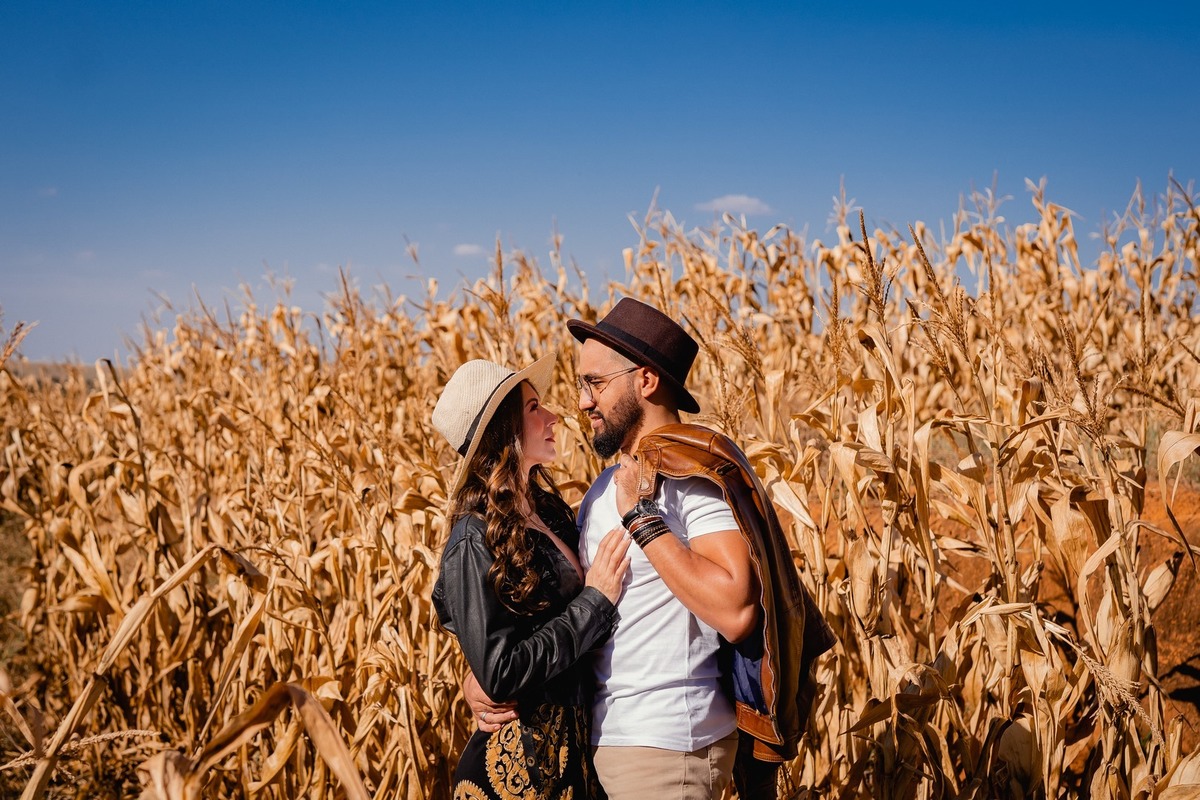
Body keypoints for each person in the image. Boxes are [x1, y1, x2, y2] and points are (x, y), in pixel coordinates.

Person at [468, 299, 836, 800]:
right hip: (605, 745)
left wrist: (643, 521)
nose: (582, 402)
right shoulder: (604, 488)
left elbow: (736, 609)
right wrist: (491, 675)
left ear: (645, 381)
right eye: (582, 385)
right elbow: (574, 605)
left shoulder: (692, 478)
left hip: (668, 750)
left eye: (595, 383)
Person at [431, 354, 632, 800]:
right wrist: (594, 601)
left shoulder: (549, 515)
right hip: (516, 775)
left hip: (572, 762)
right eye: (534, 408)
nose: (554, 417)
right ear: (503, 430)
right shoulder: (473, 538)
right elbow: (501, 672)